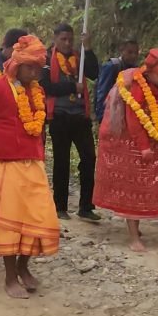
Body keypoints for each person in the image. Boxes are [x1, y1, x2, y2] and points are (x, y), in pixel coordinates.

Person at [0, 34, 59, 298]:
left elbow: (39, 128)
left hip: (33, 162)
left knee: (39, 215)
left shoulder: (37, 91)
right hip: (2, 163)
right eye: (29, 67)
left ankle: (23, 266)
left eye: (38, 67)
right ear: (16, 64)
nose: (34, 72)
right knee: (9, 223)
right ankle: (10, 276)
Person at [94, 49, 158, 253]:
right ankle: (134, 238)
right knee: (133, 191)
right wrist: (143, 146)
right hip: (134, 144)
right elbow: (134, 119)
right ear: (150, 72)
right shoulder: (137, 86)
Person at [43, 23, 101, 221]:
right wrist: (71, 87)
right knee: (61, 160)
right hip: (59, 116)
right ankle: (60, 206)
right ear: (55, 39)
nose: (67, 43)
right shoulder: (46, 59)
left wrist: (88, 48)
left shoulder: (80, 56)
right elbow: (46, 86)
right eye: (63, 39)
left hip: (80, 115)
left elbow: (94, 73)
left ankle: (86, 206)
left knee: (89, 158)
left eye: (70, 39)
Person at [94, 37, 141, 125]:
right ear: (122, 51)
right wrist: (102, 118)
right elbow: (102, 92)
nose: (133, 56)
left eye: (136, 53)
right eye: (130, 52)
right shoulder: (112, 67)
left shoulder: (136, 70)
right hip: (111, 116)